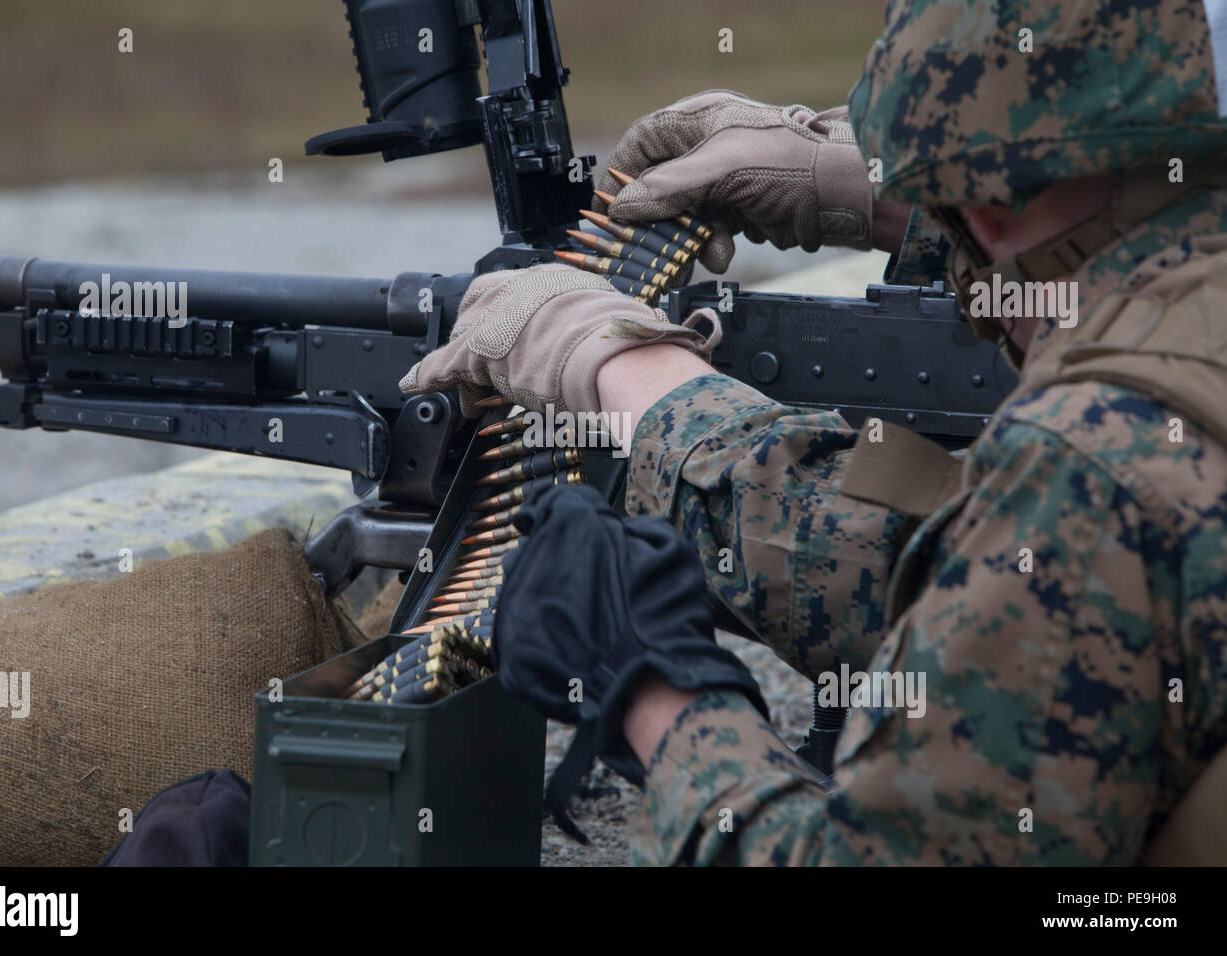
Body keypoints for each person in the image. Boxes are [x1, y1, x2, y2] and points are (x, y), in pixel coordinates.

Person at [399, 0, 1227, 865]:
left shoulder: (1093, 473)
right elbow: (1016, 599)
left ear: (983, 210)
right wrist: (849, 190)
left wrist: (646, 681)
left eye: (946, 206)